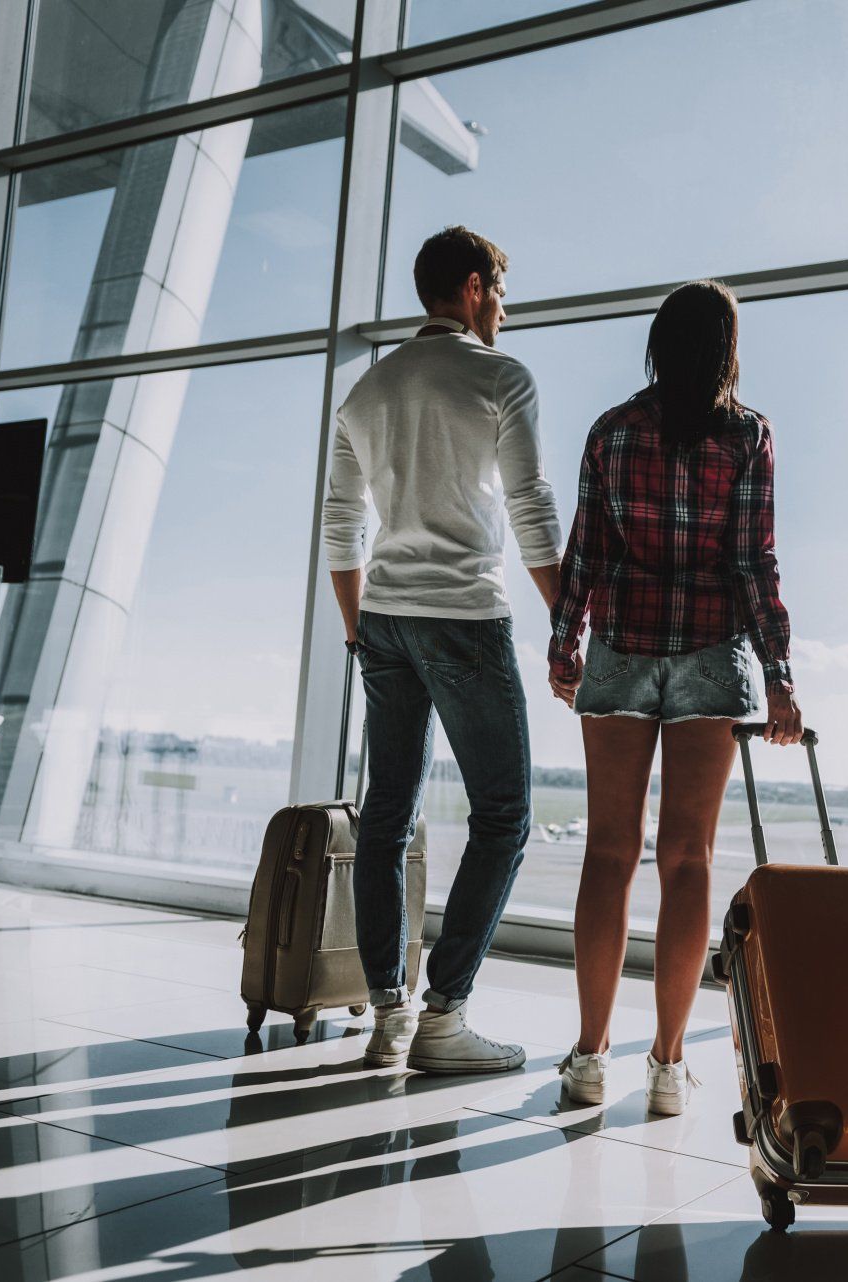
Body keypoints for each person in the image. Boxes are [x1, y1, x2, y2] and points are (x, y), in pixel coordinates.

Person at [547, 280, 803, 1116]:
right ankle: (663, 1066)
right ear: (727, 349)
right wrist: (779, 676)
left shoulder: (612, 432)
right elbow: (753, 564)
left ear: (657, 344)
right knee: (686, 859)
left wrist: (565, 645)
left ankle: (588, 1058)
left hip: (620, 649)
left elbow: (584, 550)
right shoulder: (748, 438)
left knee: (608, 855)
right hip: (707, 657)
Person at [322, 225, 563, 1074]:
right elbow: (531, 505)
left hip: (384, 617)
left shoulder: (367, 390)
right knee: (503, 815)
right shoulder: (499, 376)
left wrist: (360, 629)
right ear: (470, 287)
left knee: (387, 814)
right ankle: (445, 1016)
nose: (503, 309)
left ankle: (388, 1012)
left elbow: (340, 527)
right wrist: (567, 620)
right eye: (499, 292)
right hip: (462, 615)